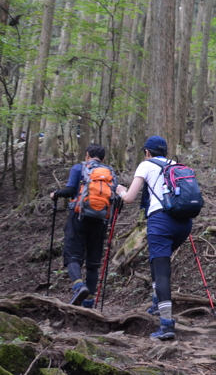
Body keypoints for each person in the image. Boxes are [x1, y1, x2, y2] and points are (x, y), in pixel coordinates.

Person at [117, 135, 192, 341]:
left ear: (147, 152)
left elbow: (130, 198)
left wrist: (121, 191)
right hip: (184, 223)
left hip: (161, 222)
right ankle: (156, 303)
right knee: (157, 261)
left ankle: (166, 325)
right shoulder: (175, 165)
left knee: (161, 271)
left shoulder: (146, 165)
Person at [50, 144, 115, 308]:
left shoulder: (79, 168)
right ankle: (89, 303)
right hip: (101, 220)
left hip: (79, 217)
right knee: (93, 261)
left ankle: (79, 286)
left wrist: (56, 194)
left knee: (72, 254)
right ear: (103, 158)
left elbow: (70, 190)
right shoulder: (110, 173)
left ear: (87, 155)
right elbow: (114, 197)